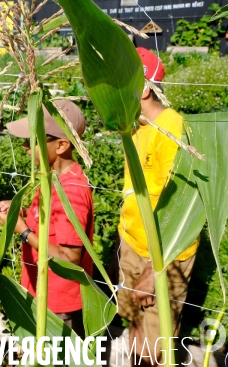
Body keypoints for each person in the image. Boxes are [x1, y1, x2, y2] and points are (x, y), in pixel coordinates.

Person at [116, 48, 198, 366]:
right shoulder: (136, 128)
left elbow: (182, 207)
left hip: (164, 254)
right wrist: (122, 249)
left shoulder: (172, 128)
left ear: (144, 88)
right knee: (135, 321)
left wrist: (152, 272)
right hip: (133, 247)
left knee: (157, 343)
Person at [0, 100, 94, 337]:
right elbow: (53, 222)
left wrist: (23, 232)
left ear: (60, 146)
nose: (25, 147)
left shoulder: (71, 191)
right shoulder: (54, 178)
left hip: (58, 307)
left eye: (32, 140)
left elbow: (70, 257)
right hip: (42, 293)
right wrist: (25, 212)